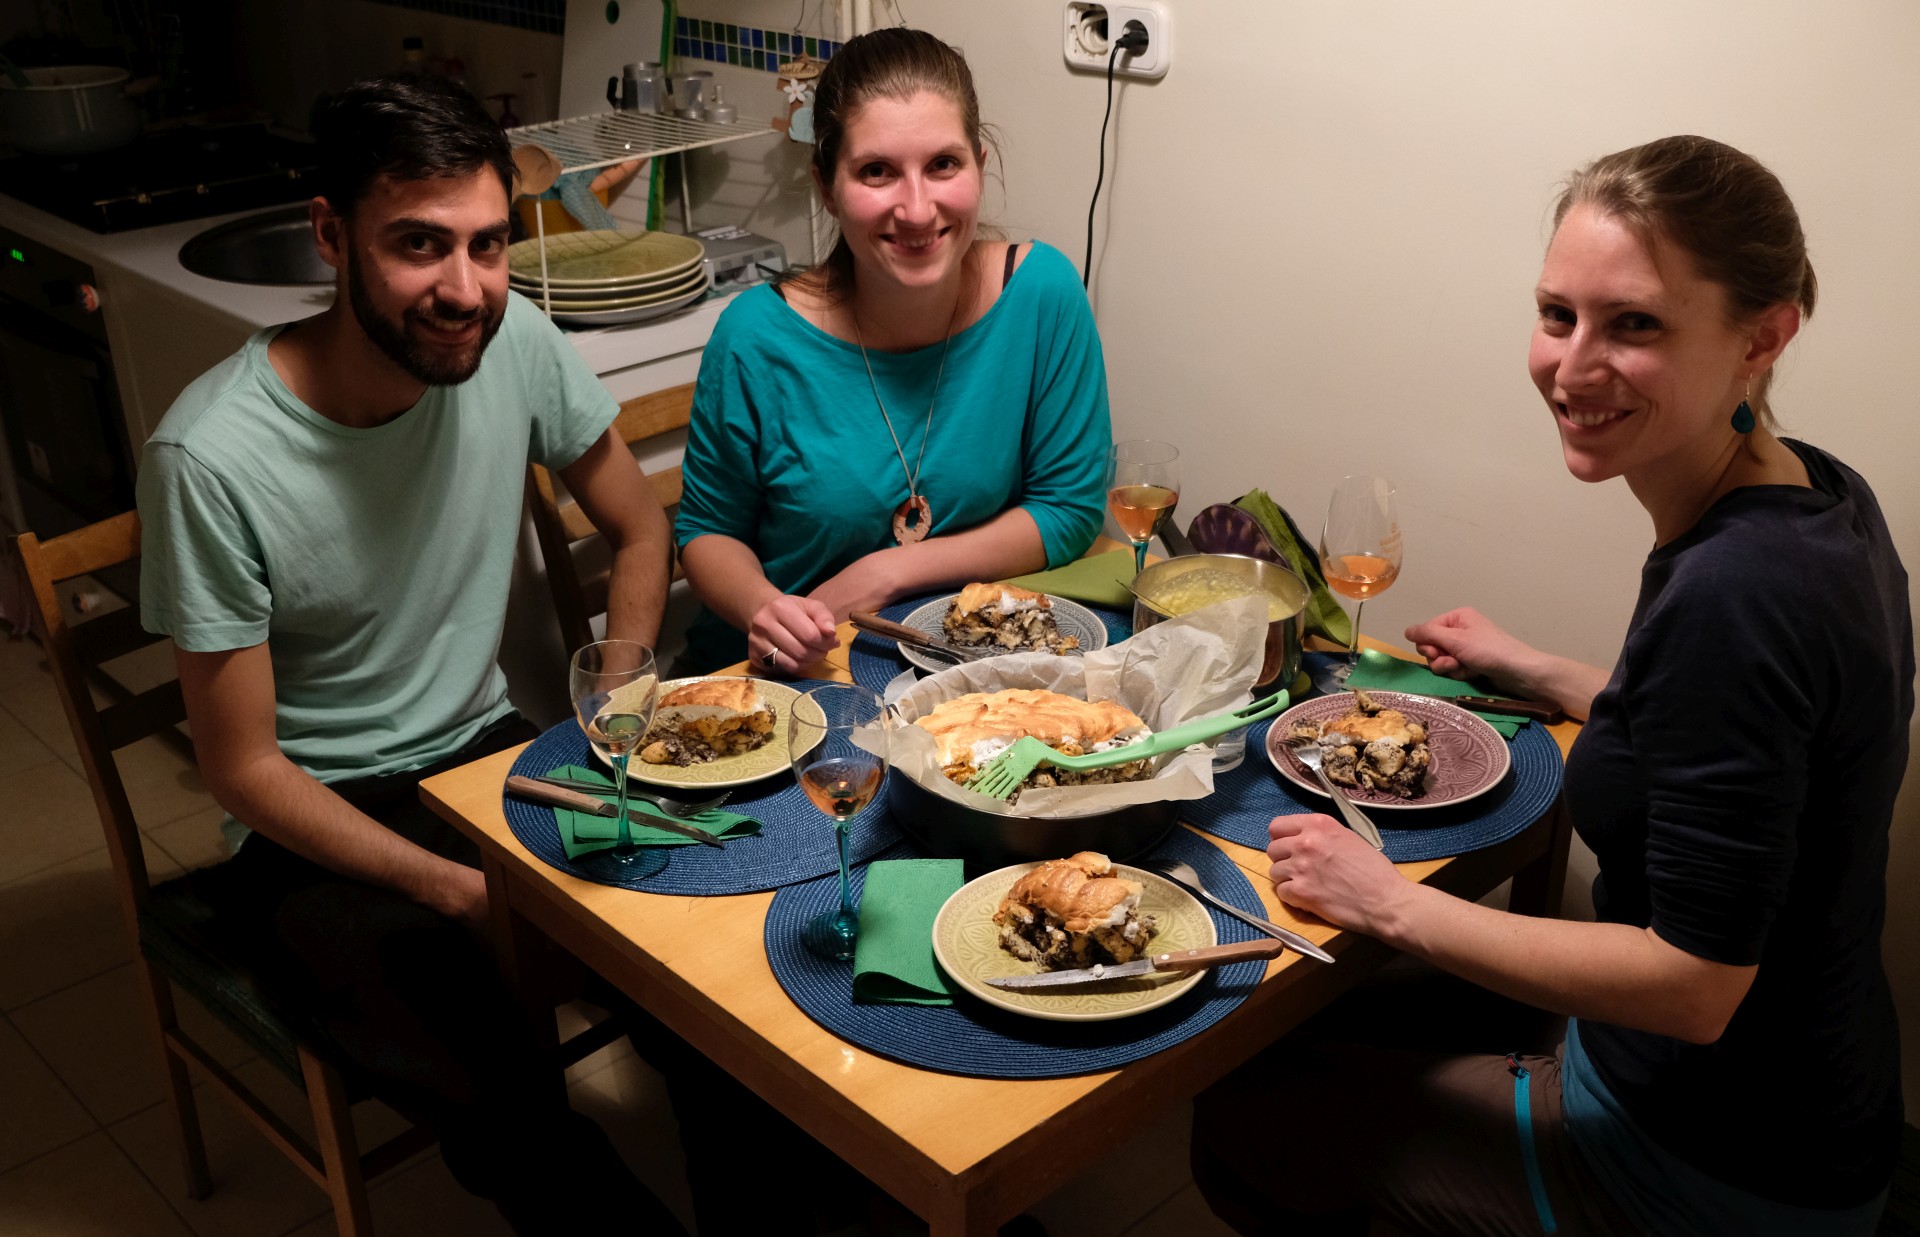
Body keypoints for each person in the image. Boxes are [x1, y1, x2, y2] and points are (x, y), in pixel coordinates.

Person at [1193, 135, 1910, 1236]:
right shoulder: (1817, 494)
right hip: (1813, 1105)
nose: (1572, 368)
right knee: (1304, 1025)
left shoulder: (1739, 588)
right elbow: (1753, 734)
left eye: (1635, 324)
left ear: (1762, 337)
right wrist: (1547, 670)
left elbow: (1695, 985)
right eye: (1556, 314)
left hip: (1712, 1160)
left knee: (1236, 1112)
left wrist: (1387, 899)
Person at [136, 74, 686, 1232]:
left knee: (698, 969)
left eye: (488, 245)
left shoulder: (517, 340)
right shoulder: (211, 457)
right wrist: (457, 888)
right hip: (310, 826)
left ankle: (820, 1191)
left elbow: (640, 526)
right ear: (331, 235)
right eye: (419, 245)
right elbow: (242, 771)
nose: (464, 288)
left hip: (487, 757)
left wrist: (621, 704)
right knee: (510, 1103)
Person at [674, 26, 1112, 674]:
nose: (915, 208)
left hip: (959, 666)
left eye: (942, 164)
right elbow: (706, 534)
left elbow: (1070, 508)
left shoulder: (1041, 294)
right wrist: (765, 606)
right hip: (787, 677)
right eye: (877, 171)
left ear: (980, 168)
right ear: (826, 186)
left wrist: (886, 572)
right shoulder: (755, 338)